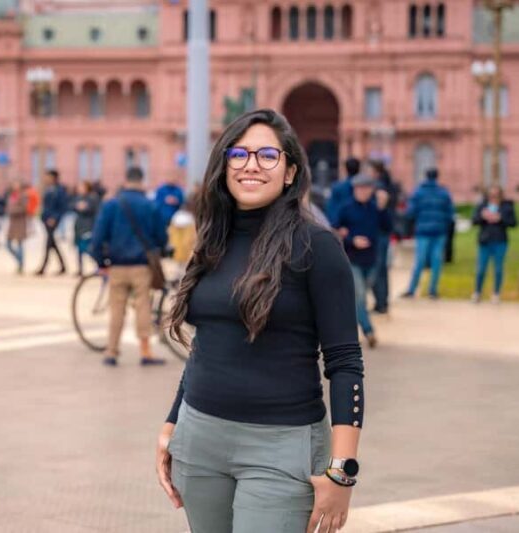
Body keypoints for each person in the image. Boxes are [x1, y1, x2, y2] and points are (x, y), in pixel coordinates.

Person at [156, 110, 364, 533]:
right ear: (224, 166)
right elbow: (207, 342)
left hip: (281, 446)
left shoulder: (317, 246)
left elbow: (345, 364)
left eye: (268, 155)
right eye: (240, 154)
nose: (251, 164)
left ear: (289, 171)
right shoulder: (212, 238)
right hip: (200, 439)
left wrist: (342, 472)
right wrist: (172, 423)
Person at [90, 166, 168, 366]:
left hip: (117, 265)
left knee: (117, 309)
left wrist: (101, 262)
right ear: (142, 180)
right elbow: (162, 236)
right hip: (142, 265)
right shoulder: (150, 205)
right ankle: (145, 351)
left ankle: (111, 351)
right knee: (142, 306)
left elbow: (98, 237)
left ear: (126, 180)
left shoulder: (111, 204)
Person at [332, 174, 392, 348]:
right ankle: (369, 331)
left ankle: (342, 328)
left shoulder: (375, 209)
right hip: (352, 258)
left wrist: (383, 208)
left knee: (358, 299)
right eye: (359, 188)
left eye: (366, 188)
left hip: (371, 260)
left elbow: (387, 227)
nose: (362, 191)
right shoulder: (346, 208)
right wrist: (351, 239)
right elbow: (335, 229)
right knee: (359, 297)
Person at [401, 167, 454, 300]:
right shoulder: (444, 193)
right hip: (439, 231)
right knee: (436, 261)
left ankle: (412, 289)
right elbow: (450, 214)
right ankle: (433, 290)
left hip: (422, 231)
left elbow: (410, 212)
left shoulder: (418, 192)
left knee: (420, 261)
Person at [471, 185, 517, 304]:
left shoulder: (506, 206)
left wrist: (500, 219)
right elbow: (474, 220)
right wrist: (482, 216)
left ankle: (496, 293)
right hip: (484, 241)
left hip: (500, 241)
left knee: (498, 269)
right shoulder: (483, 205)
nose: (493, 198)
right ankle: (477, 292)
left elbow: (513, 223)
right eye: (491, 195)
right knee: (481, 269)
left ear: (500, 195)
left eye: (496, 196)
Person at [366, 160, 399, 314]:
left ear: (375, 172)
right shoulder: (389, 184)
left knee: (377, 267)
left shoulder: (378, 187)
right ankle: (383, 301)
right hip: (385, 230)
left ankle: (380, 302)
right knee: (382, 268)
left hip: (378, 231)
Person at [35, 170, 68, 276]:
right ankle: (63, 266)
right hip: (46, 219)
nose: (46, 179)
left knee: (49, 243)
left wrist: (54, 218)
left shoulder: (59, 190)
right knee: (52, 243)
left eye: (47, 177)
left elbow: (62, 207)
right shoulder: (48, 189)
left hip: (52, 221)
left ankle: (43, 267)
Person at [71, 181, 99, 277]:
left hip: (88, 226)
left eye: (82, 187)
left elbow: (94, 211)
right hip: (79, 226)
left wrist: (85, 207)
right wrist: (77, 206)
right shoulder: (78, 198)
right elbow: (71, 206)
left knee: (88, 249)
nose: (80, 189)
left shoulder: (93, 198)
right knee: (79, 249)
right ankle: (80, 269)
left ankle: (99, 266)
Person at [326, 157, 361, 225]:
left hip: (342, 225)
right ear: (359, 168)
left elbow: (331, 207)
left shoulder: (337, 187)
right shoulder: (366, 187)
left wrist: (335, 225)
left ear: (345, 169)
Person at [5, 180, 29, 275]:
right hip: (12, 223)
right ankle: (19, 261)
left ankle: (21, 264)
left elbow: (24, 208)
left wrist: (12, 210)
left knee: (20, 244)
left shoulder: (23, 196)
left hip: (20, 222)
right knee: (8, 244)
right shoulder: (12, 195)